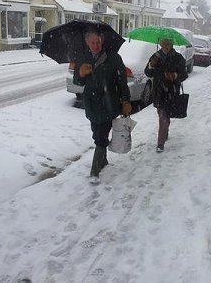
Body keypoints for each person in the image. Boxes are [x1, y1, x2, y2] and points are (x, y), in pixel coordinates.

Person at [73, 30, 132, 184]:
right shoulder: (83, 58)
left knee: (100, 137)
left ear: (102, 40)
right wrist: (81, 73)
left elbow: (122, 82)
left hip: (109, 103)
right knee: (96, 132)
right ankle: (103, 161)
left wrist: (125, 101)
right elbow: (78, 82)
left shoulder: (113, 58)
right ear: (87, 42)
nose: (96, 46)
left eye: (98, 42)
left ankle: (94, 172)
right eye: (92, 43)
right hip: (91, 105)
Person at [144, 38, 188, 153]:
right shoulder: (156, 56)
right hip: (158, 91)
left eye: (168, 44)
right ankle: (163, 134)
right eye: (164, 44)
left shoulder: (178, 58)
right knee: (162, 115)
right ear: (160, 44)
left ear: (172, 44)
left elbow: (184, 74)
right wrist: (151, 65)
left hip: (172, 91)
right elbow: (148, 73)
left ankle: (160, 142)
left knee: (164, 116)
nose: (166, 46)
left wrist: (174, 75)